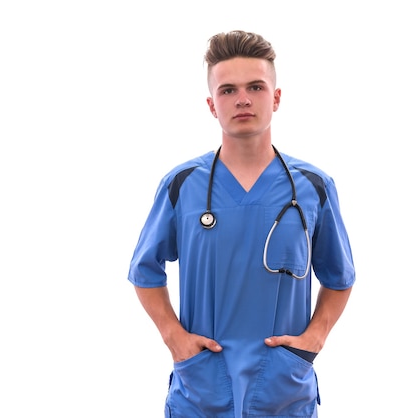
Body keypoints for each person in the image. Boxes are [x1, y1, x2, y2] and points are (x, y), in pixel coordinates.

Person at [128, 30, 355, 418]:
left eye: (255, 86)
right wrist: (174, 338)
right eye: (228, 90)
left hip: (282, 389)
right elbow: (144, 271)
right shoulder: (182, 185)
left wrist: (313, 340)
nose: (243, 99)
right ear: (212, 105)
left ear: (276, 98)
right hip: (201, 388)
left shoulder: (314, 187)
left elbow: (339, 278)